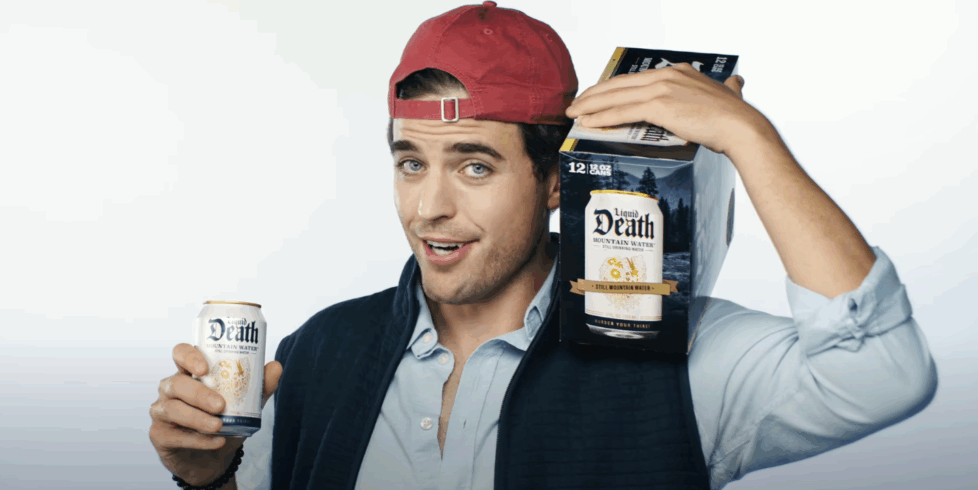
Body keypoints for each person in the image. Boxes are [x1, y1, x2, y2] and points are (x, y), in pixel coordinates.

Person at [148, 2, 938, 489]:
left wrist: (750, 139)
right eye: (411, 163)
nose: (429, 208)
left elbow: (884, 372)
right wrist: (210, 478)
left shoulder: (674, 355)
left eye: (475, 166)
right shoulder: (320, 350)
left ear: (556, 180)